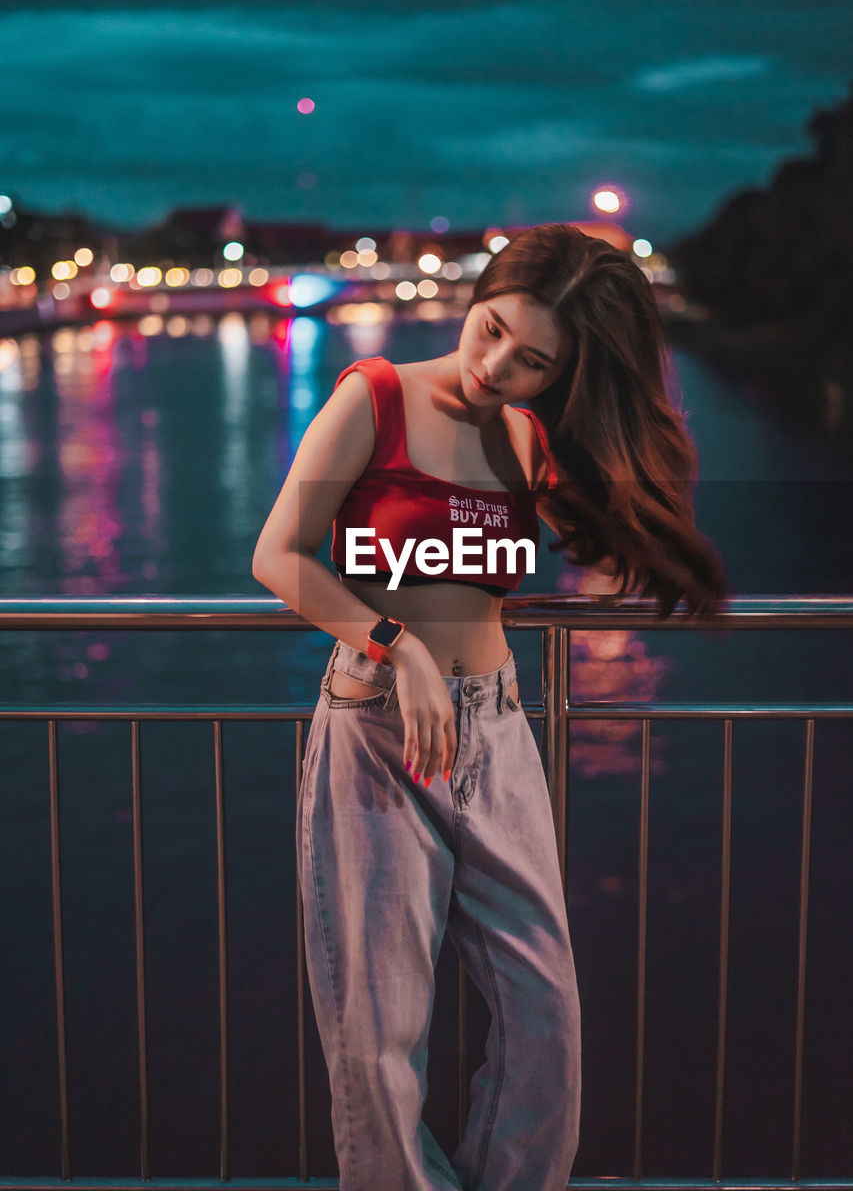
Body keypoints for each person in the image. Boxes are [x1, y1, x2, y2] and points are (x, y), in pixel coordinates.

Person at [252, 222, 728, 1191]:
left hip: (497, 723)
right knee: (379, 1026)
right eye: (493, 330)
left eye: (534, 360)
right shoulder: (374, 396)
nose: (497, 366)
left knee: (542, 1008)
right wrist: (394, 643)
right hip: (383, 725)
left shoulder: (525, 434)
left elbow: (591, 534)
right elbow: (279, 554)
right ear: (477, 301)